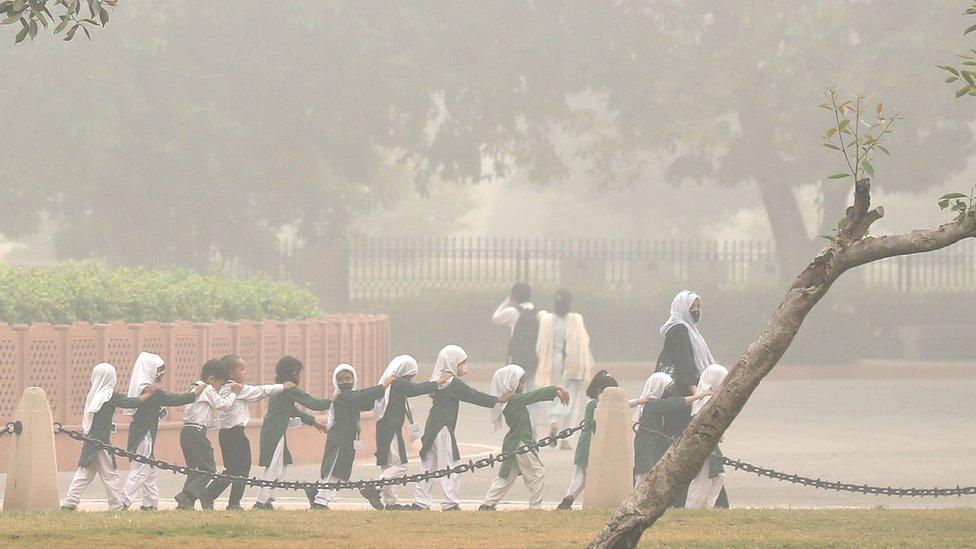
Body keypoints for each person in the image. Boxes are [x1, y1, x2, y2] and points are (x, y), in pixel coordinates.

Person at [409, 345, 512, 511]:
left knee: (428, 464)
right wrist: (498, 399)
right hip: (443, 428)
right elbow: (474, 396)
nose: (464, 366)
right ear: (452, 362)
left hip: (432, 427)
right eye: (462, 362)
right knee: (451, 465)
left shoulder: (437, 380)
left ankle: (421, 502)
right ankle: (450, 503)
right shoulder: (452, 383)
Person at [655, 290, 729, 507]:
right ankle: (709, 502)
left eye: (699, 307)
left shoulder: (690, 330)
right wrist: (698, 394)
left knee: (695, 450)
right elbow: (684, 364)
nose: (696, 311)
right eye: (692, 307)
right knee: (695, 450)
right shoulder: (678, 330)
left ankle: (708, 501)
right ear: (681, 308)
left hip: (687, 398)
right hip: (683, 400)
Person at [200, 354, 294, 510]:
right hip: (236, 434)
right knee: (242, 470)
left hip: (226, 434)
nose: (245, 373)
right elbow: (260, 391)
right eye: (242, 369)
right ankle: (233, 503)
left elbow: (253, 395)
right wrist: (283, 387)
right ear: (231, 373)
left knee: (232, 469)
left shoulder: (227, 389)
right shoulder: (235, 388)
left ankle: (210, 495)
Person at [60, 363, 157, 511]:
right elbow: (131, 402)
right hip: (100, 442)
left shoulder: (94, 394)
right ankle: (116, 506)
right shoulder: (108, 395)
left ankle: (69, 503)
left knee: (85, 473)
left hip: (91, 439)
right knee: (110, 475)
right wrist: (147, 394)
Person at [362, 355, 450, 510]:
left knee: (388, 466)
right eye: (411, 376)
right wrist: (439, 382)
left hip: (383, 429)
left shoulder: (391, 383)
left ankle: (391, 503)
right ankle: (374, 487)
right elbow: (417, 389)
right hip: (391, 431)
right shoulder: (398, 383)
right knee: (401, 466)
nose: (411, 379)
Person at [479, 364, 568, 511]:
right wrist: (555, 389)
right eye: (521, 382)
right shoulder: (512, 400)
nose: (524, 385)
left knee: (507, 477)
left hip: (515, 442)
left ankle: (487, 504)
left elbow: (529, 396)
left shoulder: (510, 401)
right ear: (511, 382)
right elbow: (532, 396)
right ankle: (535, 508)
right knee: (538, 473)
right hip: (520, 443)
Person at [120, 352, 202, 511]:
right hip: (144, 434)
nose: (160, 374)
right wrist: (195, 394)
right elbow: (174, 399)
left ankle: (150, 503)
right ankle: (123, 501)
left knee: (149, 468)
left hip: (143, 432)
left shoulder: (143, 388)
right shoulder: (150, 391)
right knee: (142, 468)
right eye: (158, 370)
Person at [254, 356, 330, 510]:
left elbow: (292, 410)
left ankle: (267, 500)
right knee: (273, 467)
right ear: (295, 373)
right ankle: (261, 502)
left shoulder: (279, 388)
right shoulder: (289, 389)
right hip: (275, 433)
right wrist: (337, 400)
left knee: (279, 467)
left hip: (274, 432)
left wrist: (313, 422)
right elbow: (313, 403)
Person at [311, 364, 391, 509]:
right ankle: (320, 501)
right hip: (339, 439)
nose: (346, 382)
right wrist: (383, 386)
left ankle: (316, 493)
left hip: (349, 440)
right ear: (336, 381)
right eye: (341, 379)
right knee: (333, 469)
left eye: (349, 378)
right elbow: (363, 395)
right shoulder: (342, 396)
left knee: (342, 471)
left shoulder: (351, 397)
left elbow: (365, 403)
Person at [174, 359, 242, 510]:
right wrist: (234, 393)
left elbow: (199, 415)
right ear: (211, 379)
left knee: (194, 471)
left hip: (187, 431)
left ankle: (185, 505)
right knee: (208, 470)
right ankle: (186, 496)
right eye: (219, 384)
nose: (218, 389)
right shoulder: (207, 388)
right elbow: (223, 405)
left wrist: (217, 423)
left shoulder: (195, 386)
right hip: (196, 433)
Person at [536, 289, 594, 448]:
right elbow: (584, 343)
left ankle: (553, 422)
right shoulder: (576, 319)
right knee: (571, 399)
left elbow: (540, 346)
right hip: (572, 364)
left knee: (553, 395)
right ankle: (565, 439)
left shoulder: (547, 320)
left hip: (552, 364)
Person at [632, 372, 711, 488]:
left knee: (650, 477)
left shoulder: (651, 403)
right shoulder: (652, 404)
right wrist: (699, 396)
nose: (667, 392)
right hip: (646, 444)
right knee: (643, 477)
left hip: (653, 443)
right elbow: (674, 403)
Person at [556, 370, 618, 510]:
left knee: (580, 477)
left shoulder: (596, 402)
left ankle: (567, 500)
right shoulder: (595, 404)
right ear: (600, 391)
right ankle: (587, 502)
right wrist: (637, 402)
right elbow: (619, 406)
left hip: (588, 445)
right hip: (589, 445)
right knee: (589, 475)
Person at [493, 283, 544, 432]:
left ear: (515, 296)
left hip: (516, 362)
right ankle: (532, 431)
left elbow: (495, 318)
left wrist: (508, 300)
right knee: (533, 397)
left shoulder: (512, 312)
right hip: (534, 362)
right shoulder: (541, 314)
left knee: (515, 398)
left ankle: (518, 430)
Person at [685, 364, 729, 509]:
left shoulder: (710, 397)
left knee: (718, 475)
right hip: (704, 443)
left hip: (710, 441)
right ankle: (693, 508)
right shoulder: (704, 398)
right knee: (702, 478)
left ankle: (707, 507)